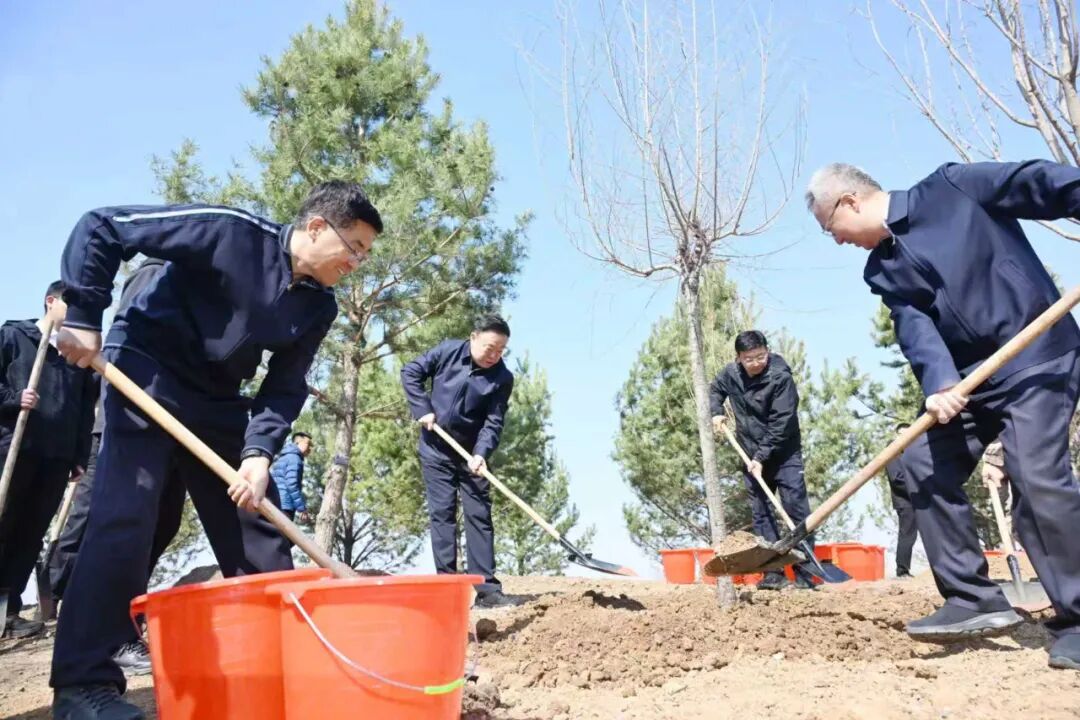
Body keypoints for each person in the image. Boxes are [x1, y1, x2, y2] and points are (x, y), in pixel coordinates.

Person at [51, 181, 382, 718]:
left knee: (257, 523)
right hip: (146, 370)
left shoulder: (318, 305)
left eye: (365, 254)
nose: (358, 262)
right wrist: (85, 315)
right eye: (356, 247)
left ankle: (286, 666)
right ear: (317, 227)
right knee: (125, 515)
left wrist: (258, 454)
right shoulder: (230, 231)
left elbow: (285, 385)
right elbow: (104, 226)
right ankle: (83, 684)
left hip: (219, 399)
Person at [806, 160, 1080, 670]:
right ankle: (973, 598)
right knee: (920, 459)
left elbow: (1037, 182)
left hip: (1037, 354)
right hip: (973, 380)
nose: (838, 240)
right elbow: (915, 328)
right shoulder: (882, 268)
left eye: (831, 228)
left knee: (1035, 475)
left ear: (849, 201)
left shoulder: (952, 188)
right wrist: (939, 384)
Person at [47, 258, 186, 676]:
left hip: (171, 423)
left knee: (163, 522)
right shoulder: (157, 274)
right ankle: (85, 615)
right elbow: (130, 348)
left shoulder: (197, 287)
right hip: (129, 423)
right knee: (111, 524)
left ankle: (120, 613)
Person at [0, 281, 97, 640]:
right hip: (14, 448)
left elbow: (84, 411)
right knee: (4, 524)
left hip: (56, 456)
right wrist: (13, 398)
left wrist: (78, 455)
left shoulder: (76, 357)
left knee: (30, 534)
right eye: (71, 308)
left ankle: (7, 613)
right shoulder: (14, 336)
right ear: (50, 302)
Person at [400, 315, 514, 609]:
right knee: (442, 514)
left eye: (501, 350)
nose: (494, 355)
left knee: (479, 515)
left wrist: (481, 453)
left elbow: (493, 422)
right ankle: (447, 589)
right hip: (436, 449)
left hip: (471, 455)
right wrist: (422, 408)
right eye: (490, 347)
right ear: (473, 337)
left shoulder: (502, 378)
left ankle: (487, 591)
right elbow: (411, 371)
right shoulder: (448, 351)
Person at [709, 330, 816, 591]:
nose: (756, 363)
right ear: (738, 358)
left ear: (768, 351)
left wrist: (761, 457)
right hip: (749, 452)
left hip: (784, 453)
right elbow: (716, 389)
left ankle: (805, 575)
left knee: (795, 509)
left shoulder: (780, 377)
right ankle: (772, 575)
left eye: (761, 356)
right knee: (762, 512)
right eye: (749, 359)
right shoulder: (731, 374)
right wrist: (716, 412)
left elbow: (782, 422)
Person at [883, 424, 918, 578]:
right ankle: (902, 570)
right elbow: (897, 479)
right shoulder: (893, 451)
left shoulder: (910, 452)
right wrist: (918, 488)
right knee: (907, 535)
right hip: (905, 501)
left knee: (916, 535)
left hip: (916, 499)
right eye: (902, 434)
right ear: (897, 435)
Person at [270, 431, 313, 524]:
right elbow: (292, 484)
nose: (310, 448)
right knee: (283, 532)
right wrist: (301, 508)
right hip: (285, 505)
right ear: (298, 442)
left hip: (274, 501)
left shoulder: (284, 456)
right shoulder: (294, 458)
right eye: (308, 444)